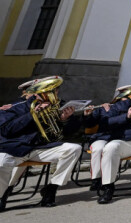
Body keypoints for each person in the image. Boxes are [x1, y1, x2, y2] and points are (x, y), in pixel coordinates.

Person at [0, 77, 81, 210]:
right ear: (35, 92)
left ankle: (52, 188)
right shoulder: (16, 107)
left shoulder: (59, 106)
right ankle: (2, 194)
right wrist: (32, 115)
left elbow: (70, 132)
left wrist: (66, 120)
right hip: (15, 147)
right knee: (1, 163)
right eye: (46, 91)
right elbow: (6, 130)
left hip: (40, 148)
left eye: (54, 90)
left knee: (74, 148)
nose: (52, 94)